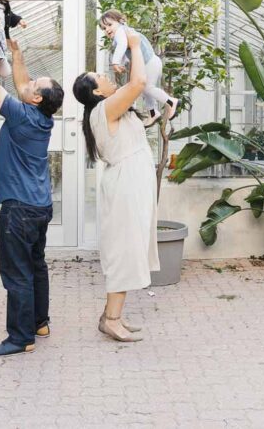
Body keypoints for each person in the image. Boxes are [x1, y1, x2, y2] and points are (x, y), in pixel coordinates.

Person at [0, 25, 65, 358]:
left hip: (18, 210)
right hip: (39, 207)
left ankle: (20, 338)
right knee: (36, 265)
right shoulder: (39, 116)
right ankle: (39, 323)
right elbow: (21, 84)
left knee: (17, 273)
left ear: (36, 99)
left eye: (35, 85)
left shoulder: (21, 115)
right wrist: (17, 54)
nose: (29, 82)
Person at [72, 27, 160, 343]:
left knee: (130, 245)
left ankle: (111, 315)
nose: (108, 78)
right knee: (124, 249)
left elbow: (137, 126)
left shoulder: (110, 110)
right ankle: (112, 319)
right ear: (97, 92)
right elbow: (138, 83)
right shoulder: (104, 108)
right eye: (101, 77)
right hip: (126, 184)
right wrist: (135, 46)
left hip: (132, 180)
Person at [99, 9, 178, 127]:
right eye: (104, 28)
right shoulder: (125, 33)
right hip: (151, 62)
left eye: (110, 25)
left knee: (147, 88)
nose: (107, 30)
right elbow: (127, 53)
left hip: (149, 62)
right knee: (145, 89)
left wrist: (116, 62)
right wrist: (122, 63)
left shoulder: (121, 32)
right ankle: (152, 112)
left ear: (120, 21)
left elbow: (122, 46)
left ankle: (171, 102)